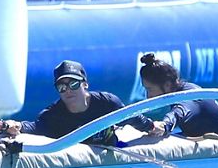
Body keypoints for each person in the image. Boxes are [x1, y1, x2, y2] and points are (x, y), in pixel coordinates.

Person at [18, 60, 159, 144]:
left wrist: (152, 127)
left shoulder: (107, 103)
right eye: (62, 87)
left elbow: (131, 118)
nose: (68, 90)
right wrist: (12, 126)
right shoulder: (52, 116)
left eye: (73, 84)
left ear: (85, 84)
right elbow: (33, 127)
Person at [139, 53, 218, 138]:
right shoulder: (183, 89)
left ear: (167, 85)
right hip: (202, 136)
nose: (148, 96)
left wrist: (164, 125)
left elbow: (180, 111)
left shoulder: (190, 96)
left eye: (150, 89)